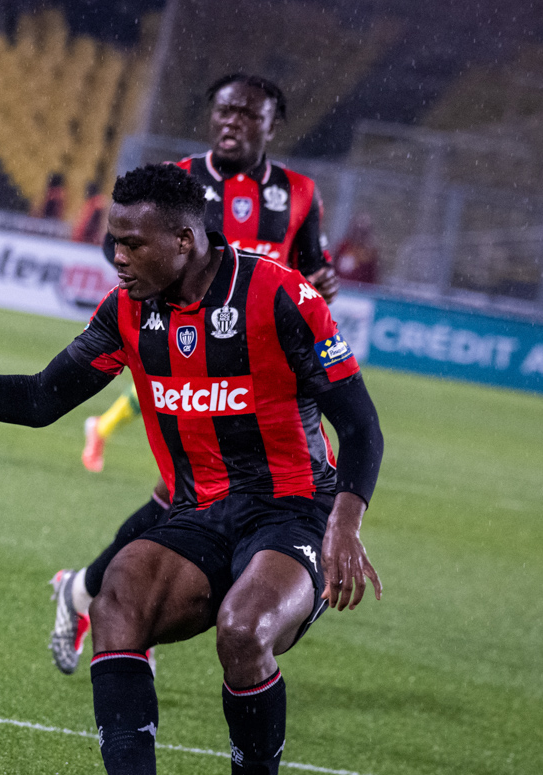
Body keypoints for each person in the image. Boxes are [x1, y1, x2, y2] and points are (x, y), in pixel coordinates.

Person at [0, 163, 382, 775]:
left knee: (243, 630)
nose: (116, 257)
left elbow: (360, 424)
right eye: (113, 242)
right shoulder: (126, 312)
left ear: (185, 240)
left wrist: (345, 523)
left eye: (132, 244)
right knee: (118, 593)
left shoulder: (279, 296)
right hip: (198, 511)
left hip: (295, 508)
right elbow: (42, 398)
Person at [60, 73, 343, 673]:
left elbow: (312, 269)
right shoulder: (179, 181)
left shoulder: (299, 194)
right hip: (187, 356)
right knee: (184, 500)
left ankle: (89, 592)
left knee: (183, 503)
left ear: (272, 125)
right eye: (223, 110)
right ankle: (112, 602)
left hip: (263, 369)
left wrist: (320, 285)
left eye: (247, 113)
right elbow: (126, 248)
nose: (232, 121)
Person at [333, 212, 379, 284]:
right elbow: (333, 267)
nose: (359, 234)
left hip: (358, 289)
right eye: (358, 229)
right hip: (340, 285)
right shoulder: (344, 247)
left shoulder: (370, 253)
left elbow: (371, 277)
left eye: (363, 231)